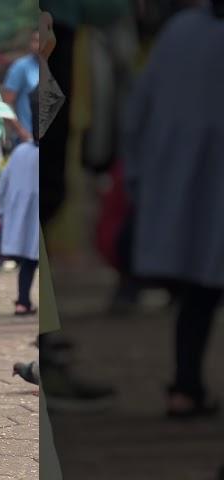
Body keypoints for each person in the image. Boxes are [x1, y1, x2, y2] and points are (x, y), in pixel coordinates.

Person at [123, 1, 224, 417]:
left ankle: (184, 388)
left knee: (198, 292)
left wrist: (136, 173)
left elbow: (139, 106)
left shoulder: (180, 31)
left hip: (188, 187)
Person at [0, 88, 39, 316]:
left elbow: (2, 187)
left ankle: (23, 301)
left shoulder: (21, 153)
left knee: (27, 263)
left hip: (23, 224)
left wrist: (3, 214)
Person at [2, 28, 39, 144]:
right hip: (26, 139)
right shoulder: (21, 67)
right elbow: (5, 104)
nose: (37, 45)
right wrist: (21, 132)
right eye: (34, 40)